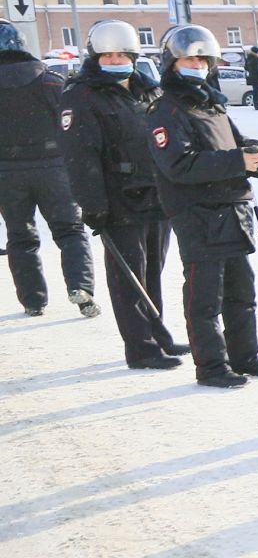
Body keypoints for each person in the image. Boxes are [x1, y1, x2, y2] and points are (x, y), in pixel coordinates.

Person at [147, 24, 258, 388]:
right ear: (172, 63)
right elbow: (179, 165)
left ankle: (245, 356)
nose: (197, 65)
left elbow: (240, 144)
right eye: (189, 59)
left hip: (232, 208)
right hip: (197, 212)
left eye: (203, 59)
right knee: (205, 295)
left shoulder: (211, 103)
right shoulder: (166, 110)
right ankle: (211, 366)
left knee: (242, 292)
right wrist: (238, 162)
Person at [57, 20, 187, 366]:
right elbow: (80, 155)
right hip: (118, 198)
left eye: (122, 54)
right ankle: (140, 348)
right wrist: (93, 204)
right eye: (108, 55)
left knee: (152, 271)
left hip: (156, 194)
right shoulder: (82, 94)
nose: (116, 60)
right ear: (95, 56)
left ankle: (158, 334)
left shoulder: (148, 90)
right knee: (128, 276)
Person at [0, 21, 98, 319]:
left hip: (6, 173)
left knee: (20, 237)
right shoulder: (51, 82)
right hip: (54, 168)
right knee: (70, 231)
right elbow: (73, 125)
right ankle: (81, 289)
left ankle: (33, 300)